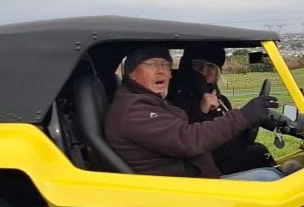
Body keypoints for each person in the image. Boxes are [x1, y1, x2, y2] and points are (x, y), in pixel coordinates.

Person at [104, 45, 282, 181]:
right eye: (151, 65)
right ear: (131, 73)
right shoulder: (134, 109)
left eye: (165, 65)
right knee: (271, 178)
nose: (161, 70)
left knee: (264, 162)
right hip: (182, 194)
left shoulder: (147, 100)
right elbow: (188, 138)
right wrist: (242, 117)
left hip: (191, 180)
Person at [168, 44, 276, 174]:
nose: (204, 71)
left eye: (211, 66)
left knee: (258, 150)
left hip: (223, 156)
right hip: (202, 167)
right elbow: (184, 139)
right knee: (258, 154)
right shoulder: (175, 98)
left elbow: (232, 133)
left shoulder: (221, 99)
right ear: (187, 67)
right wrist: (202, 111)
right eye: (198, 65)